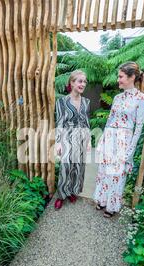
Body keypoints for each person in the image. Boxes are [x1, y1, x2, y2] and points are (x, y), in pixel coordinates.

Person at [93, 62, 144, 218]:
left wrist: (130, 151)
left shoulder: (141, 98)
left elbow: (138, 127)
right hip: (110, 137)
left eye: (121, 77)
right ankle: (102, 200)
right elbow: (110, 120)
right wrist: (102, 140)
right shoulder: (117, 98)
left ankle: (111, 206)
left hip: (124, 140)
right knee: (104, 171)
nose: (118, 80)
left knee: (117, 174)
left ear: (131, 77)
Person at [54, 70, 91, 210]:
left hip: (82, 138)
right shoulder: (62, 101)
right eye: (80, 81)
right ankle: (61, 195)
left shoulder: (86, 102)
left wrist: (89, 141)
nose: (83, 84)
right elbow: (59, 123)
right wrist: (58, 142)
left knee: (78, 166)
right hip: (67, 137)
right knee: (66, 166)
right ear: (72, 82)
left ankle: (72, 191)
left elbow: (87, 122)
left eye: (84, 81)